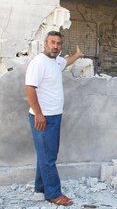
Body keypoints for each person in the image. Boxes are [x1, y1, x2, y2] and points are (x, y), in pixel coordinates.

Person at [25, 30, 84, 206]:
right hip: (43, 118)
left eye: (58, 43)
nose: (56, 46)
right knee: (49, 157)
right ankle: (53, 193)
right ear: (45, 43)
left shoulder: (56, 61)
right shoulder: (39, 62)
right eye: (53, 42)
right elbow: (30, 89)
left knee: (46, 154)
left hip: (54, 116)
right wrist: (39, 114)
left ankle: (41, 186)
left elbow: (67, 61)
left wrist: (78, 55)